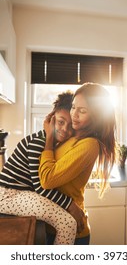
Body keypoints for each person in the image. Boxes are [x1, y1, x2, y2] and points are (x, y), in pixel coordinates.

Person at [0, 91, 85, 245]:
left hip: (20, 193)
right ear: (51, 118)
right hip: (8, 195)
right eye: (60, 122)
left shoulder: (54, 144)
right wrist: (71, 205)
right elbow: (41, 187)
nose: (65, 129)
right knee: (68, 223)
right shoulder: (38, 142)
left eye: (70, 126)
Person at [39, 82, 116, 244]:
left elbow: (47, 179)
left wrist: (49, 139)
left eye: (82, 111)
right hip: (54, 225)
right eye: (74, 107)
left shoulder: (89, 144)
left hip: (72, 231)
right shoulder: (72, 135)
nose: (74, 114)